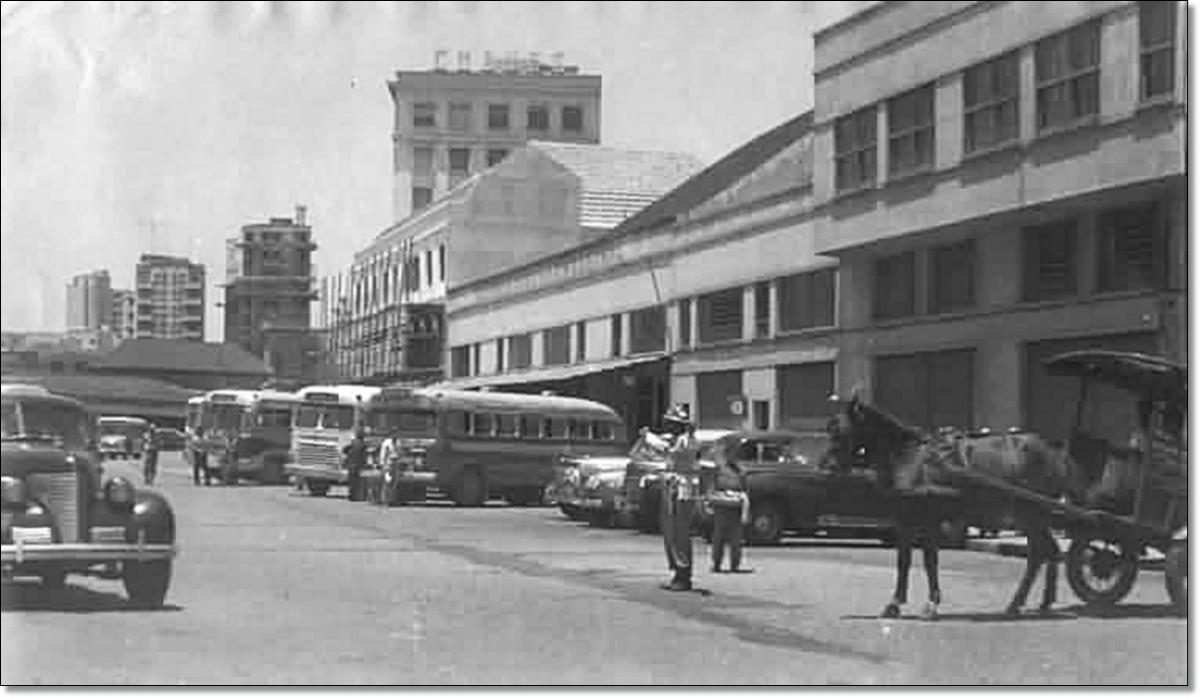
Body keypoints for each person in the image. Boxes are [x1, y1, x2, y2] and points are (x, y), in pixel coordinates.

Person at [659, 404, 699, 592]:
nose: (668, 426)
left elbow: (691, 447)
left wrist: (690, 432)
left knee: (680, 532)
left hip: (682, 488)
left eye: (672, 423)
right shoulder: (671, 440)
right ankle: (676, 570)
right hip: (671, 486)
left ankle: (683, 574)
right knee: (670, 532)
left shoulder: (685, 440)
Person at [707, 446, 750, 574]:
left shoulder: (741, 472)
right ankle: (716, 564)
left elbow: (745, 490)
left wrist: (744, 504)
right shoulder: (719, 470)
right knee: (718, 538)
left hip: (735, 509)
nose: (732, 457)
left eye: (734, 454)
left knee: (736, 540)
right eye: (729, 454)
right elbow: (712, 488)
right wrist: (710, 501)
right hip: (721, 507)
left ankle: (734, 565)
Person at [345, 425, 368, 502]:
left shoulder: (353, 443)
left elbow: (344, 450)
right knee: (356, 482)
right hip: (357, 465)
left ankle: (351, 496)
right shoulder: (363, 445)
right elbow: (364, 456)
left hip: (350, 465)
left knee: (351, 481)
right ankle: (354, 496)